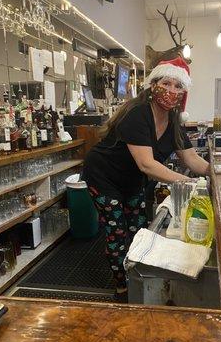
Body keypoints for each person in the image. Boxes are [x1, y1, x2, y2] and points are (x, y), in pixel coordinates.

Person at [82, 57, 210, 300]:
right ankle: (123, 289)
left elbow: (192, 159)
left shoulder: (174, 122)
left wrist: (216, 172)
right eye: (167, 83)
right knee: (117, 233)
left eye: (178, 86)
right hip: (104, 176)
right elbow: (147, 164)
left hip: (132, 180)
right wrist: (190, 182)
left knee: (139, 228)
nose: (171, 90)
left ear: (183, 93)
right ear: (153, 86)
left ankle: (138, 278)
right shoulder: (137, 114)